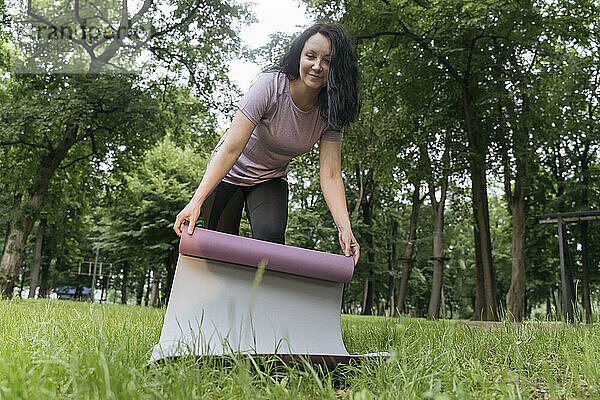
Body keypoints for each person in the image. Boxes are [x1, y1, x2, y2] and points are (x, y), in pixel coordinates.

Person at [173, 23, 361, 265]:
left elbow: (332, 174)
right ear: (299, 56)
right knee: (218, 250)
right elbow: (231, 147)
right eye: (310, 56)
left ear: (337, 67)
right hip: (229, 172)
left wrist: (345, 227)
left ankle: (255, 302)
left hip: (269, 178)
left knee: (270, 245)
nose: (317, 66)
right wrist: (196, 201)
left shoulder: (331, 111)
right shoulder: (271, 85)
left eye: (327, 60)